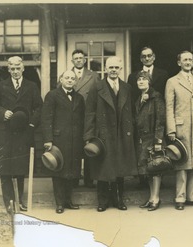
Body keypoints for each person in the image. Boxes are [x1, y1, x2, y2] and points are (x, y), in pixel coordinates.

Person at [0, 56, 43, 213]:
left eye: (18, 68)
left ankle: (20, 201)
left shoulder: (32, 86)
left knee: (20, 168)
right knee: (5, 168)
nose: (15, 71)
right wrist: (2, 112)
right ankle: (9, 203)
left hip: (23, 133)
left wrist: (32, 124)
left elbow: (39, 107)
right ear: (8, 69)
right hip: (5, 133)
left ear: (23, 68)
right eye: (12, 68)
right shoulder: (0, 86)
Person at [84, 56, 138, 212]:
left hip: (121, 133)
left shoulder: (127, 87)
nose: (113, 70)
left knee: (119, 168)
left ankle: (119, 200)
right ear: (106, 69)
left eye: (116, 68)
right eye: (111, 67)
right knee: (103, 169)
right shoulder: (97, 87)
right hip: (103, 133)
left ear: (120, 69)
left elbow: (132, 112)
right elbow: (90, 113)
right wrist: (88, 136)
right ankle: (102, 201)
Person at [165, 50, 193, 210]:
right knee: (182, 163)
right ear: (179, 62)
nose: (188, 62)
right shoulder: (172, 81)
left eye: (190, 59)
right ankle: (180, 198)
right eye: (185, 59)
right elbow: (169, 107)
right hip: (181, 127)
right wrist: (171, 129)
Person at [41, 70, 85, 214]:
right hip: (59, 140)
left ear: (76, 81)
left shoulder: (79, 98)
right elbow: (46, 118)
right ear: (61, 79)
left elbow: (82, 119)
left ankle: (68, 200)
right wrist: (48, 139)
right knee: (59, 170)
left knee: (72, 170)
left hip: (75, 141)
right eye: (67, 78)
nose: (70, 80)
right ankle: (59, 203)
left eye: (73, 78)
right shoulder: (52, 95)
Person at [127, 46, 168, 188]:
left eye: (149, 55)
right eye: (143, 56)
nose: (147, 58)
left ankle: (155, 191)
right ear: (140, 59)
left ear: (154, 57)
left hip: (154, 119)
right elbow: (131, 98)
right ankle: (143, 182)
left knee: (154, 159)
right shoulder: (133, 77)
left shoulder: (163, 75)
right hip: (141, 121)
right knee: (142, 157)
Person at [134, 71, 166, 211]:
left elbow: (160, 121)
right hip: (142, 140)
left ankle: (156, 199)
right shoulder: (138, 98)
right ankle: (151, 198)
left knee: (155, 169)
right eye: (139, 79)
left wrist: (158, 141)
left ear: (149, 82)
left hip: (153, 139)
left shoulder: (156, 97)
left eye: (144, 79)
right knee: (148, 170)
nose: (141, 81)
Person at [71, 49, 100, 188]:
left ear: (84, 60)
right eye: (75, 58)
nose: (78, 60)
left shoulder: (93, 76)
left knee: (89, 148)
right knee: (74, 149)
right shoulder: (66, 76)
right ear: (72, 61)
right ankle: (75, 179)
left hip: (89, 117)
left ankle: (89, 180)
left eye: (80, 58)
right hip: (73, 119)